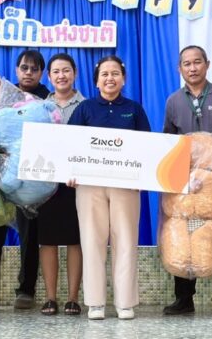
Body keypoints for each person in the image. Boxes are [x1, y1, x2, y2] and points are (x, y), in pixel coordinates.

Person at [68, 55, 151, 320]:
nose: (110, 78)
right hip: (89, 186)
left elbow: (147, 146)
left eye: (115, 73)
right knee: (91, 240)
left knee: (125, 241)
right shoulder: (85, 109)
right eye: (104, 74)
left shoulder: (134, 109)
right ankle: (95, 303)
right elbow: (68, 145)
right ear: (96, 81)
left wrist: (143, 177)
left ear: (123, 78)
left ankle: (125, 303)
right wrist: (69, 172)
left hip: (126, 186)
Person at [161, 45, 212, 317]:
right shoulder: (173, 100)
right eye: (187, 63)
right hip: (185, 178)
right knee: (182, 233)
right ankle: (184, 299)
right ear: (179, 68)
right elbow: (168, 140)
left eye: (197, 62)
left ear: (207, 64)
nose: (192, 68)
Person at [38, 53, 85, 316]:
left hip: (78, 184)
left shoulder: (87, 106)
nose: (61, 76)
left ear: (74, 73)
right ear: (49, 76)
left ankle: (73, 298)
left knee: (75, 240)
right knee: (48, 240)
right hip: (47, 184)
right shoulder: (39, 108)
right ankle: (50, 298)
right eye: (56, 71)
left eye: (66, 70)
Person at [9, 49, 48, 309]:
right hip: (9, 175)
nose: (29, 73)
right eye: (24, 68)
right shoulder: (6, 96)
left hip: (42, 176)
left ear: (42, 73)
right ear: (17, 70)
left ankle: (28, 289)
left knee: (34, 234)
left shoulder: (49, 98)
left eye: (34, 69)